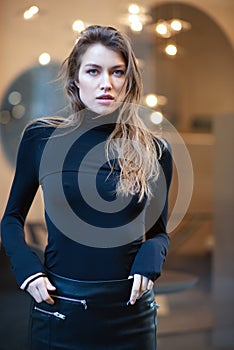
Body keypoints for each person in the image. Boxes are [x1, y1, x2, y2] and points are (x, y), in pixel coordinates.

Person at [1, 25, 172, 349]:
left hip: (131, 314)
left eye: (117, 72)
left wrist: (153, 253)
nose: (106, 83)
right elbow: (11, 218)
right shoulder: (41, 138)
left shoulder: (156, 150)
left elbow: (159, 230)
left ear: (129, 81)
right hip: (59, 308)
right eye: (93, 71)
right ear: (75, 79)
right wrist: (26, 269)